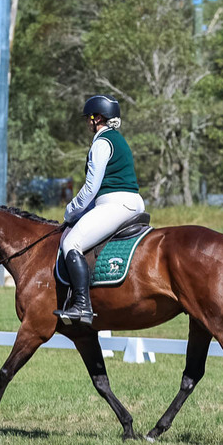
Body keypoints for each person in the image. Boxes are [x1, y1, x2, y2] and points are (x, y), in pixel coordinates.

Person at [54, 95, 146, 325]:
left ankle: (82, 306)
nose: (88, 123)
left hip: (114, 204)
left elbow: (91, 188)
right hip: (133, 202)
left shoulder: (102, 142)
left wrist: (70, 212)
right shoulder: (118, 140)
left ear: (97, 118)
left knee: (70, 243)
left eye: (89, 118)